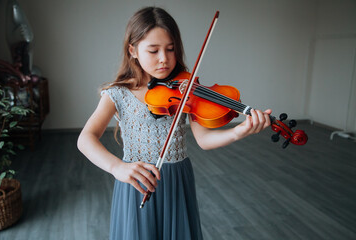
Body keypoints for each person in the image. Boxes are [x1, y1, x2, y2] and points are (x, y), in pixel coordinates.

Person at [77, 6, 272, 240]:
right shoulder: (118, 93)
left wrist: (239, 131)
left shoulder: (185, 87)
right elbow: (85, 138)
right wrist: (117, 167)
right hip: (137, 180)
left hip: (177, 179)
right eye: (153, 50)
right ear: (133, 50)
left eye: (170, 49)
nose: (164, 59)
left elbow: (204, 139)